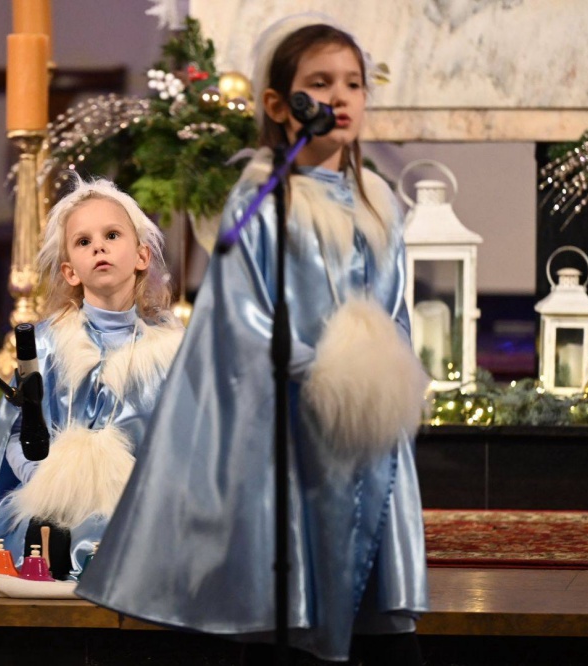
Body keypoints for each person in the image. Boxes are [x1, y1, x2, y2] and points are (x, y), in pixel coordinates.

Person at [77, 16, 430, 665]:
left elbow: (394, 309)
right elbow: (240, 316)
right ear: (278, 103)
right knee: (297, 592)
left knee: (367, 600)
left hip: (368, 429)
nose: (340, 96)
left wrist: (387, 380)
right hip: (295, 424)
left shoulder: (379, 202)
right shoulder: (262, 203)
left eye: (353, 83)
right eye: (320, 83)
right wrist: (321, 371)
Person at [0, 178, 184, 581]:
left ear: (142, 255)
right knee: (52, 533)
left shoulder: (171, 350)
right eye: (84, 241)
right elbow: (17, 432)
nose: (99, 248)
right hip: (60, 495)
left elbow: (183, 437)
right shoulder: (47, 344)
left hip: (138, 495)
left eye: (112, 235)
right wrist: (44, 478)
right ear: (70, 272)